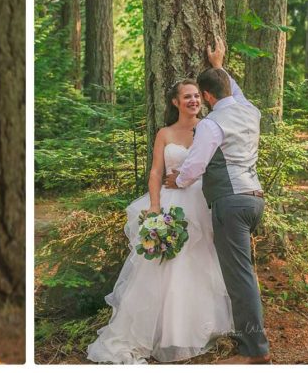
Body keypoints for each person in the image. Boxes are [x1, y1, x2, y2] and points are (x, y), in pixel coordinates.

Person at [87, 46, 234, 363]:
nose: (193, 101)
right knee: (167, 266)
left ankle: (195, 329)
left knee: (200, 262)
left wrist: (218, 66)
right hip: (170, 203)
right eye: (187, 97)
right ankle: (162, 334)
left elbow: (231, 104)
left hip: (202, 202)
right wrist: (154, 207)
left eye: (197, 95)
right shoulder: (165, 133)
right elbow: (156, 171)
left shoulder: (210, 127)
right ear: (175, 102)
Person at [164, 37, 271, 364]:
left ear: (207, 97)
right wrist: (218, 65)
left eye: (203, 95)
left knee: (240, 279)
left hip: (231, 203)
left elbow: (195, 165)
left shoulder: (211, 124)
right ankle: (249, 341)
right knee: (242, 274)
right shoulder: (250, 110)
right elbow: (232, 91)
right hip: (255, 199)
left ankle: (256, 350)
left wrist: (177, 180)